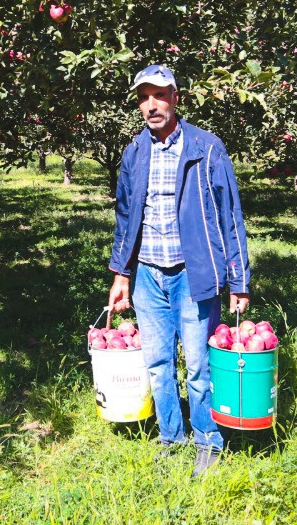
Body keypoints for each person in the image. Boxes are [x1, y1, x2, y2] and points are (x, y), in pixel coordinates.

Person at [107, 64, 252, 477]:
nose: (151, 105)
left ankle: (207, 437)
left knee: (199, 363)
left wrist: (238, 280)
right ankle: (171, 436)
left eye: (159, 95)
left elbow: (230, 215)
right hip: (149, 274)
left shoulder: (206, 148)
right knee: (156, 361)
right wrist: (121, 274)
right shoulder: (135, 152)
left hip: (194, 271)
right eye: (143, 97)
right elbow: (125, 216)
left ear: (175, 98)